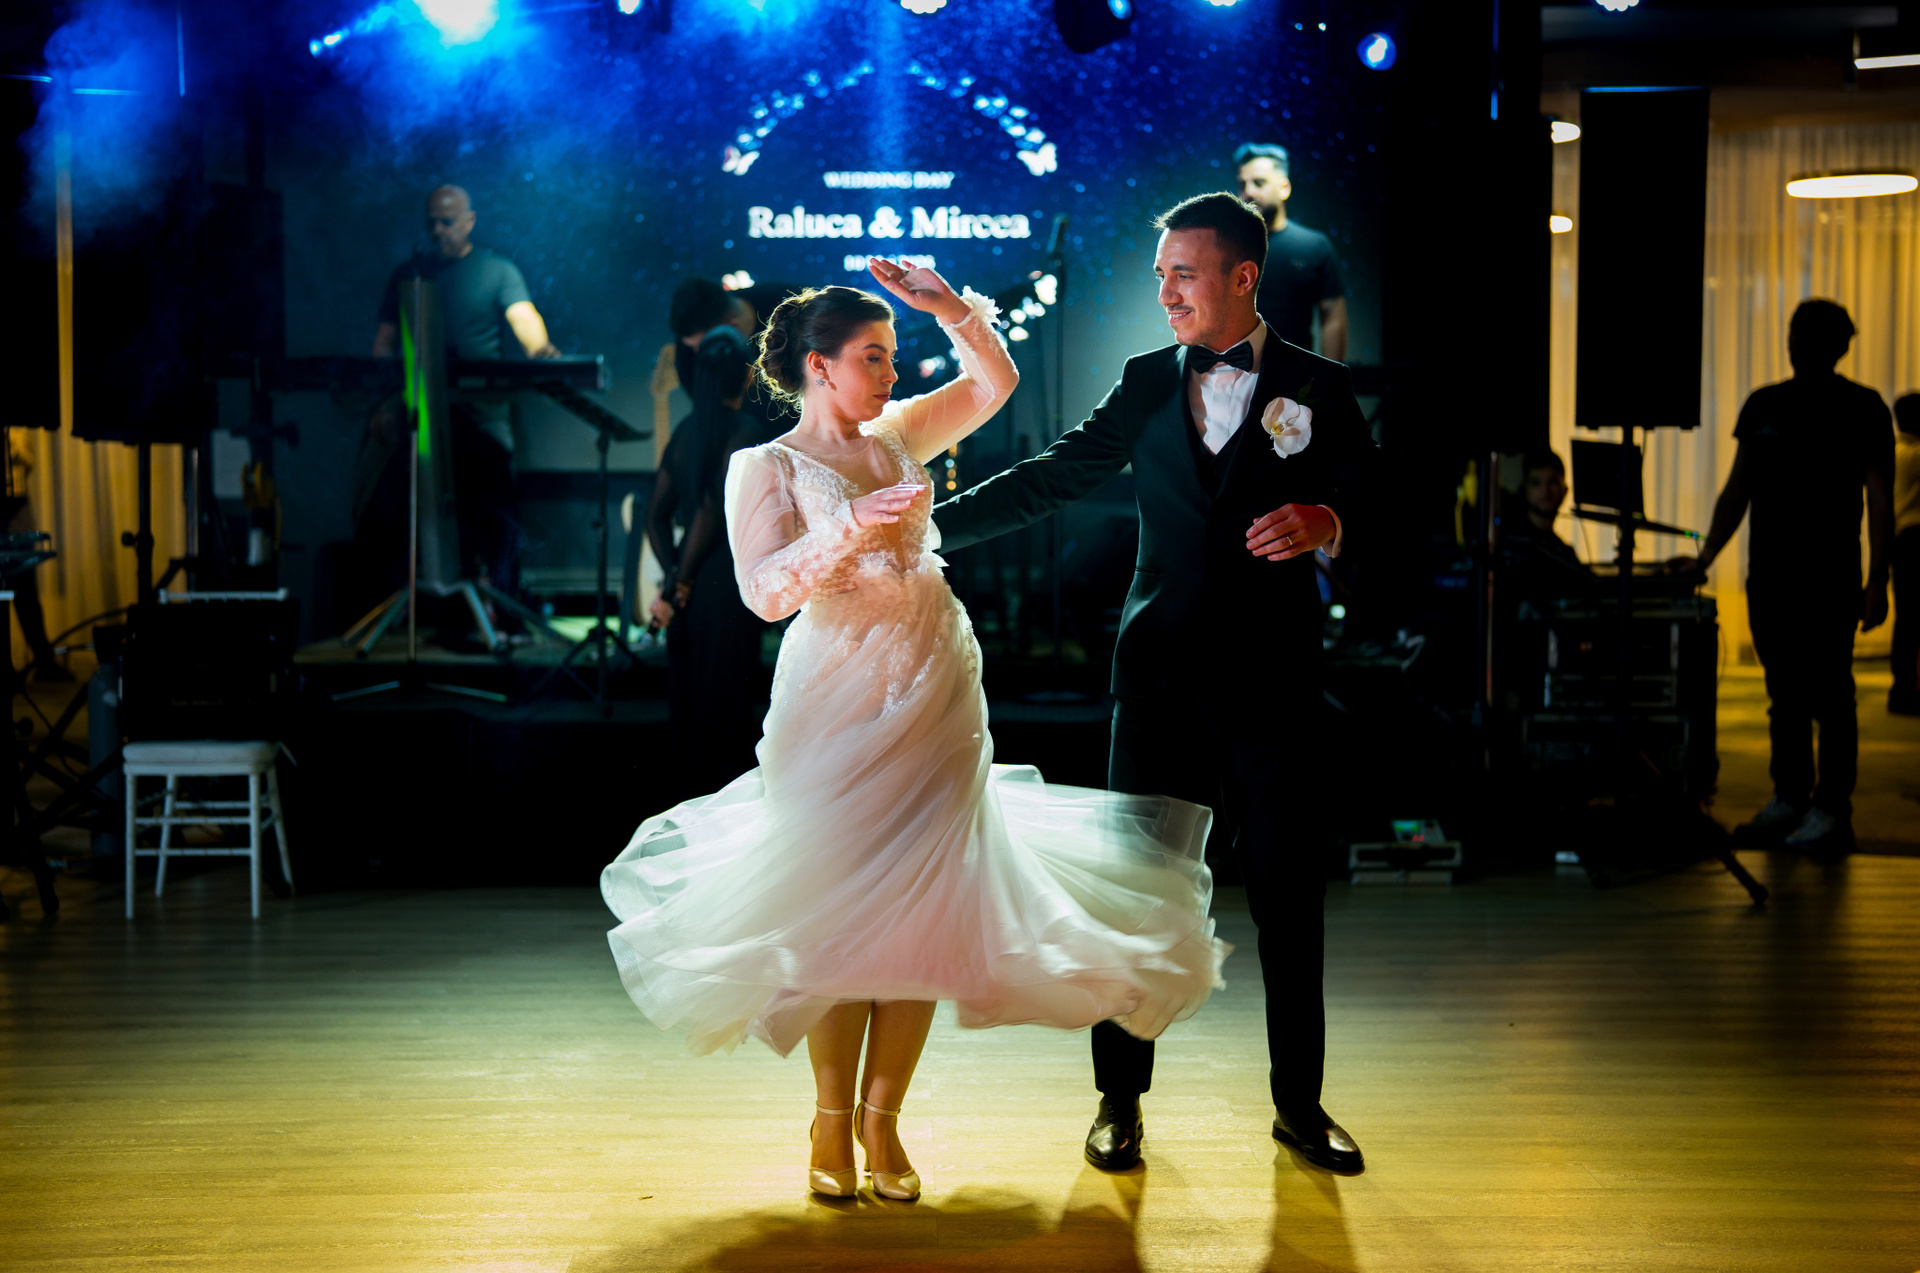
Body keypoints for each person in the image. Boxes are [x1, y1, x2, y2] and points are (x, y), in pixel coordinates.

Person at [600, 259, 1226, 1202]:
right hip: (836, 698)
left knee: (925, 906)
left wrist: (953, 310)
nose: (891, 374)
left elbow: (993, 384)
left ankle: (882, 1121)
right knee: (840, 909)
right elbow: (764, 595)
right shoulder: (763, 466)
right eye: (873, 357)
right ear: (818, 367)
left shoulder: (896, 432)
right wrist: (849, 523)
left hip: (937, 687)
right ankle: (828, 1119)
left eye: (893, 356)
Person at [933, 193, 1381, 1175]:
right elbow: (1050, 477)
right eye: (1160, 275)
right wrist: (924, 527)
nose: (1166, 292)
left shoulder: (1320, 386)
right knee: (1129, 899)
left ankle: (1299, 1107)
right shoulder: (1144, 382)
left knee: (1289, 901)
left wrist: (1330, 523)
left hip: (1272, 687)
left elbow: (1377, 501)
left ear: (1243, 277)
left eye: (1184, 273)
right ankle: (1119, 1101)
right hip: (1159, 684)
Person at [1682, 299, 1894, 851]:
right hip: (1771, 575)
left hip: (1830, 576)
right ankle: (1791, 797)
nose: (1798, 343)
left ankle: (1832, 808)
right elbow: (1739, 488)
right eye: (1796, 332)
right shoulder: (1764, 404)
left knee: (1831, 694)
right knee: (1785, 692)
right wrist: (1706, 557)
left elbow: (1880, 498)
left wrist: (1878, 580)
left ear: (1838, 346)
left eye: (1810, 334)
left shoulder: (1863, 407)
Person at [364, 184, 560, 600]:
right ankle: (434, 609)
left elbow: (524, 318)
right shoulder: (409, 275)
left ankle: (504, 609)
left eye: (447, 222)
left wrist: (539, 347)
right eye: (431, 223)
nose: (438, 230)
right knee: (419, 515)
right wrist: (383, 403)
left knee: (496, 514)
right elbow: (383, 345)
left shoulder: (497, 271)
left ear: (469, 221)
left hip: (483, 415)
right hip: (424, 419)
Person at [642, 324, 778, 795]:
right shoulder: (746, 431)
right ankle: (715, 816)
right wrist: (679, 581)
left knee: (689, 706)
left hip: (687, 586)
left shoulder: (685, 432)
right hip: (725, 583)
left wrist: (674, 578)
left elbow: (655, 517)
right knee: (725, 710)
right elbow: (713, 511)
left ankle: (686, 809)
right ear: (746, 376)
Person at [1235, 143, 1347, 362]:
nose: (1248, 192)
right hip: (1236, 374)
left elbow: (1333, 317)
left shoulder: (1314, 246)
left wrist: (1329, 377)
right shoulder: (1228, 247)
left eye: (1259, 182)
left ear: (1284, 188)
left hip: (1297, 374)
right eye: (1242, 184)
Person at [1501, 451, 1592, 597]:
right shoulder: (1510, 545)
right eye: (1536, 483)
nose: (1545, 491)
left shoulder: (1564, 554)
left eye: (1552, 482)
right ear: (1525, 490)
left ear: (1565, 490)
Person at [1891, 393, 1920, 716]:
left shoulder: (1892, 452)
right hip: (1916, 538)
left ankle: (1902, 688)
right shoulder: (1916, 454)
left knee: (1906, 618)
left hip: (1900, 541)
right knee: (1914, 620)